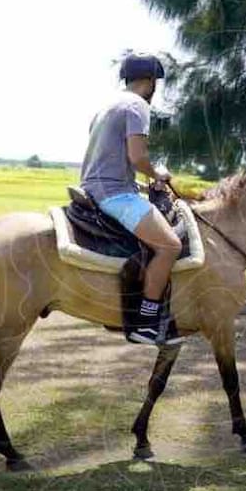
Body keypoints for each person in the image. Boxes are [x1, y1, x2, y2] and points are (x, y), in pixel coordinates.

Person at [79, 53, 183, 345]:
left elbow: (110, 162)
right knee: (170, 246)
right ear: (149, 82)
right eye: (155, 83)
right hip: (114, 194)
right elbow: (137, 157)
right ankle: (147, 323)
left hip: (94, 187)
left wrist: (138, 183)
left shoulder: (105, 107)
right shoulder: (137, 106)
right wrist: (157, 174)